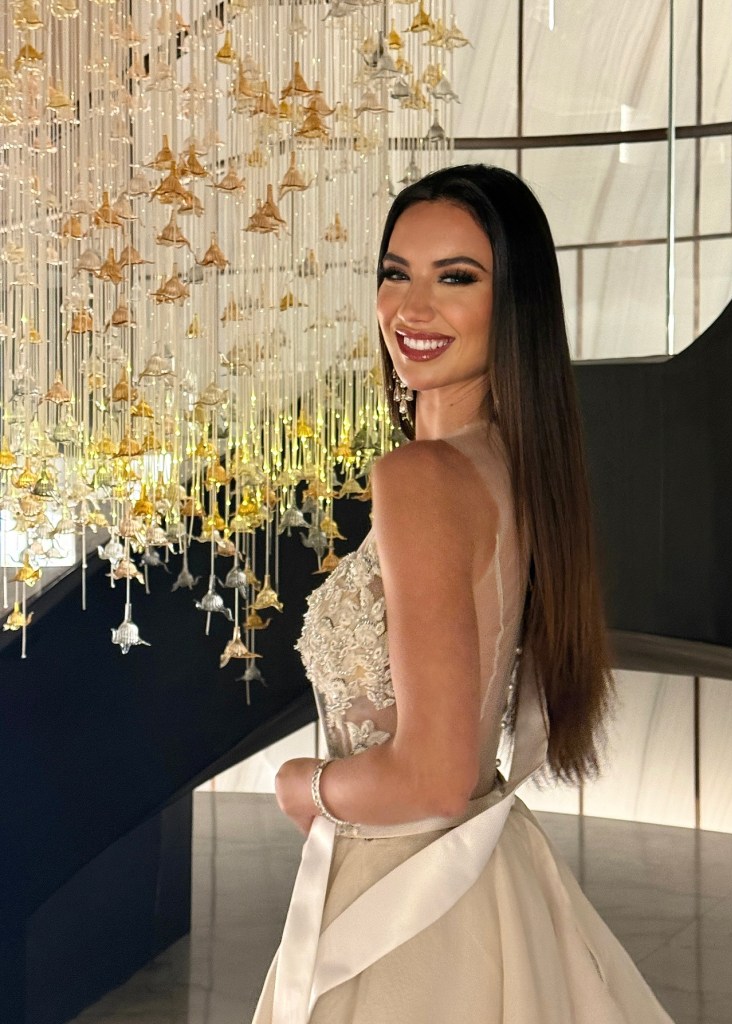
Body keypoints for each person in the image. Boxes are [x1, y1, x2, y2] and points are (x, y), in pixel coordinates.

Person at [251, 165, 674, 1023]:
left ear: (511, 302)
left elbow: (438, 778)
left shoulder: (424, 478)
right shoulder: (511, 467)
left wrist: (303, 784)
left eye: (455, 278)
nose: (412, 308)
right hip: (477, 878)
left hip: (405, 903)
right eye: (395, 272)